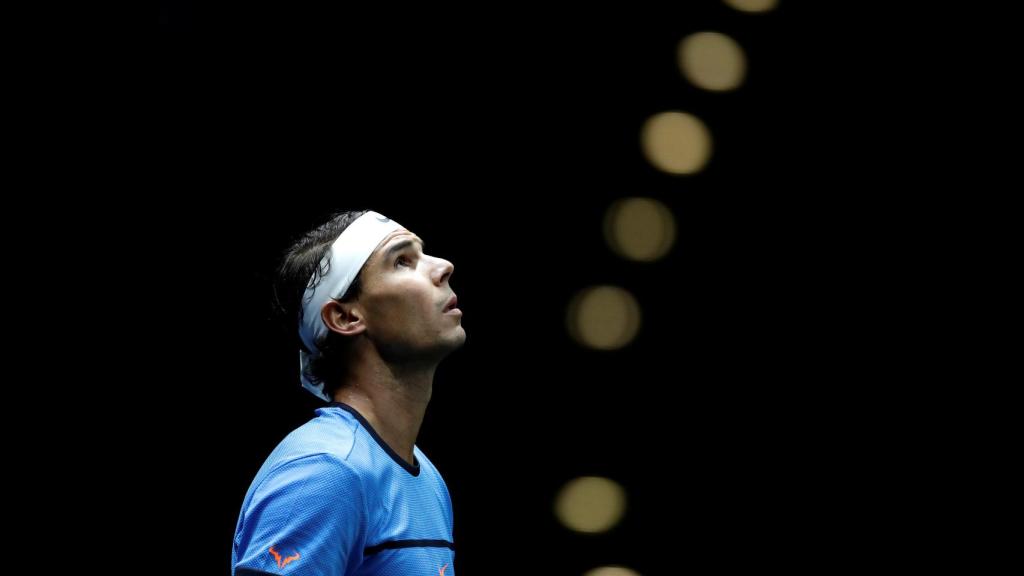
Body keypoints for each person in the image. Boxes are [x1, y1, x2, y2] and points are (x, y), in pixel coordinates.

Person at [231, 210, 465, 575]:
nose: (444, 267)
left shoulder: (428, 480)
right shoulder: (324, 470)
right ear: (345, 317)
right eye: (403, 261)